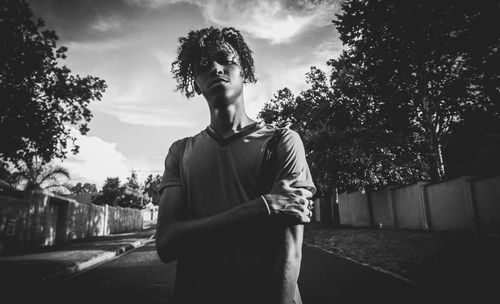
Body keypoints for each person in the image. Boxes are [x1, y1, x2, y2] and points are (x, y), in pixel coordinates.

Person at [156, 26, 316, 304]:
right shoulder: (180, 152)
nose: (216, 68)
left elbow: (289, 250)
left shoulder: (282, 141)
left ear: (245, 72)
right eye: (204, 65)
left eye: (226, 60)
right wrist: (260, 208)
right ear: (195, 82)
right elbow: (167, 244)